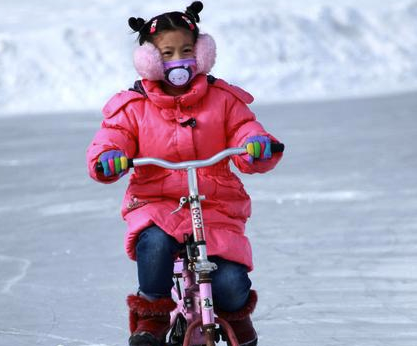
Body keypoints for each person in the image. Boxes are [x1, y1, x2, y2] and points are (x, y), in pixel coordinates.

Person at [86, 2, 283, 346]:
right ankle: (153, 312)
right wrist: (109, 156)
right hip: (156, 203)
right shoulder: (132, 106)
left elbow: (244, 128)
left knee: (231, 284)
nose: (179, 59)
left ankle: (237, 317)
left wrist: (256, 144)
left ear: (202, 52)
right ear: (150, 59)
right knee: (155, 244)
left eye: (187, 50)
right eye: (167, 52)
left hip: (215, 206)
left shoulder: (223, 99)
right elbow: (112, 134)